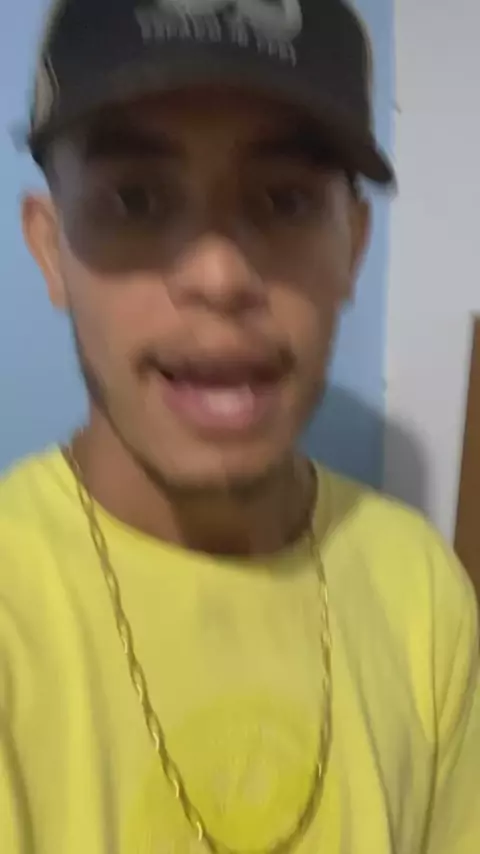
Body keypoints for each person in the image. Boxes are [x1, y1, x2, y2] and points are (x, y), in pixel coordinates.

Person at [1, 0, 479, 852]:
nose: (220, 277)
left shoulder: (422, 594)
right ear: (49, 249)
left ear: (353, 247)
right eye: (137, 199)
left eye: (285, 201)